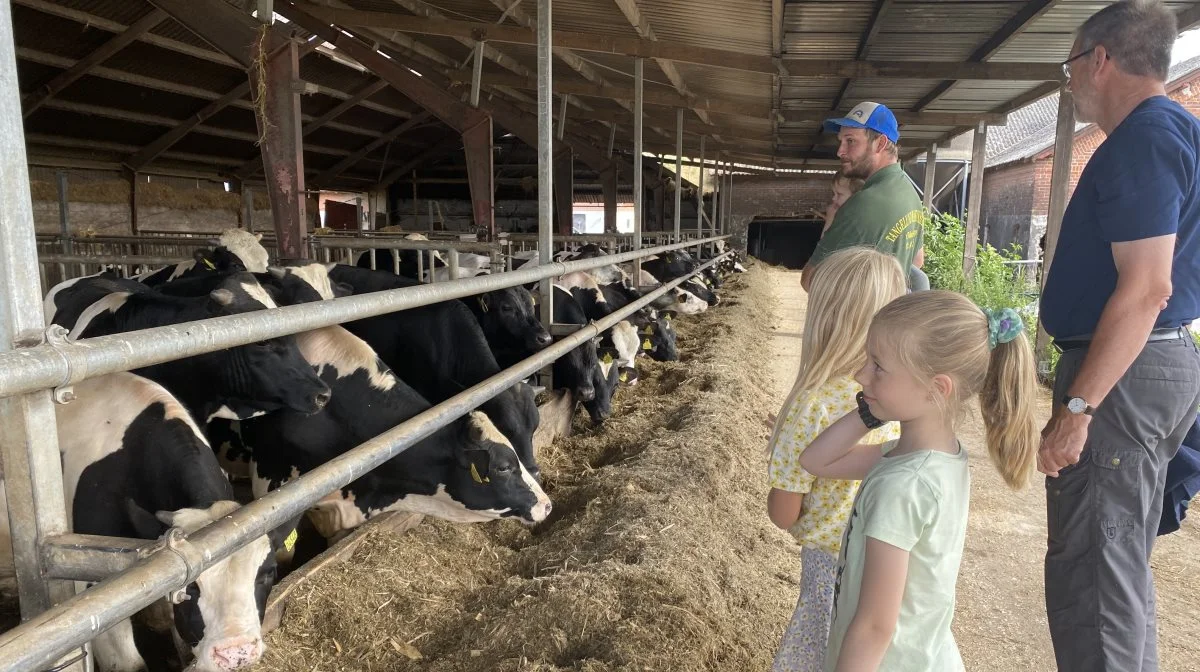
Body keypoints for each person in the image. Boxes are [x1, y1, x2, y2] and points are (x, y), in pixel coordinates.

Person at [1038, 3, 1200, 670]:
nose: (1070, 81)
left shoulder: (1144, 139)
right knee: (1117, 570)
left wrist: (1080, 407)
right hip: (1150, 366)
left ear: (1098, 60)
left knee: (1095, 581)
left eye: (1071, 65)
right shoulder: (1174, 132)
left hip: (1123, 377)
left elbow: (1146, 288)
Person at [799, 291, 1039, 671]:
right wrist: (870, 411)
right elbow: (816, 461)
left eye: (878, 366)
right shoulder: (929, 459)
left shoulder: (903, 485)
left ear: (936, 389)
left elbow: (875, 625)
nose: (861, 375)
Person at [765, 247, 907, 671]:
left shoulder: (814, 405)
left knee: (823, 652)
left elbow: (784, 514)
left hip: (831, 563)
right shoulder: (901, 399)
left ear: (822, 319)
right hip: (891, 557)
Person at [801, 102, 926, 293]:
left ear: (880, 143)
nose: (840, 151)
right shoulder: (910, 195)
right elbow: (917, 261)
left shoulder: (863, 203)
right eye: (840, 141)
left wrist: (831, 223)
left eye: (850, 141)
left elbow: (810, 281)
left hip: (859, 321)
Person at [818, 170, 931, 292]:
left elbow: (824, 256)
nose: (834, 199)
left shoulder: (852, 223)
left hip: (871, 286)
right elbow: (918, 260)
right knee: (921, 279)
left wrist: (830, 220)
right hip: (895, 281)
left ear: (857, 199)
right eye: (833, 193)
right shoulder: (896, 209)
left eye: (839, 194)